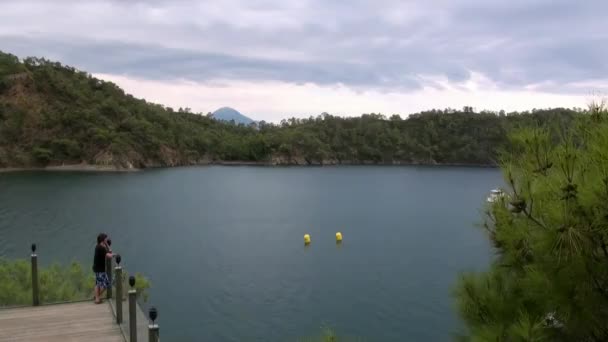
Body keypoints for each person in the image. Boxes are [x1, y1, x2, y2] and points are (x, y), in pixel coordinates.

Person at [93, 233, 113, 304]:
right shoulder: (101, 248)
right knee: (106, 284)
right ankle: (97, 297)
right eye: (106, 239)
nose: (107, 240)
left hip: (97, 268)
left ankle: (97, 298)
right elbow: (109, 255)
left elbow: (108, 251)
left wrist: (107, 245)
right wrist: (115, 255)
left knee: (97, 284)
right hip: (100, 269)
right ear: (103, 240)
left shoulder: (98, 246)